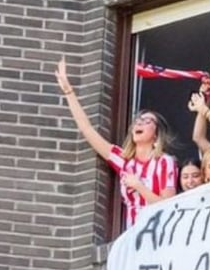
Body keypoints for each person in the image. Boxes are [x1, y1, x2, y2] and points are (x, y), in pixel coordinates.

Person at [56, 60, 177, 227]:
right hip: (133, 236)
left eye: (147, 121)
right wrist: (68, 92)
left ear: (156, 134)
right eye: (137, 120)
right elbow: (88, 130)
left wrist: (139, 186)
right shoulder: (124, 161)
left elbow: (169, 206)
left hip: (158, 236)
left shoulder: (164, 162)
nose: (139, 123)